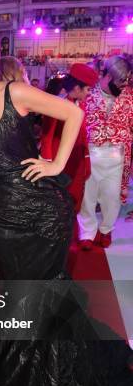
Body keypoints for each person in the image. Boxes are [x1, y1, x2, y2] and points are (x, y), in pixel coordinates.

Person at [0, 23, 133, 386]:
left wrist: (58, 164)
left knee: (34, 298)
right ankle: (21, 373)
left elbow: (73, 112)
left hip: (44, 214)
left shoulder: (14, 93)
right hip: (6, 220)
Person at [77, 56, 133, 249]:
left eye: (126, 80)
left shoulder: (129, 97)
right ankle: (87, 232)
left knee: (112, 197)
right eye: (120, 80)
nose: (124, 84)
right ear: (108, 76)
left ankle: (106, 229)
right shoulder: (88, 94)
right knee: (87, 197)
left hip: (117, 157)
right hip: (90, 154)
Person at [40, 63, 98, 214]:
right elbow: (47, 136)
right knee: (60, 206)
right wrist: (48, 164)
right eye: (88, 89)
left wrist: (86, 159)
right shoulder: (57, 103)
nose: (90, 93)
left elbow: (83, 134)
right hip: (60, 162)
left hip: (76, 162)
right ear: (77, 88)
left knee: (74, 203)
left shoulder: (79, 104)